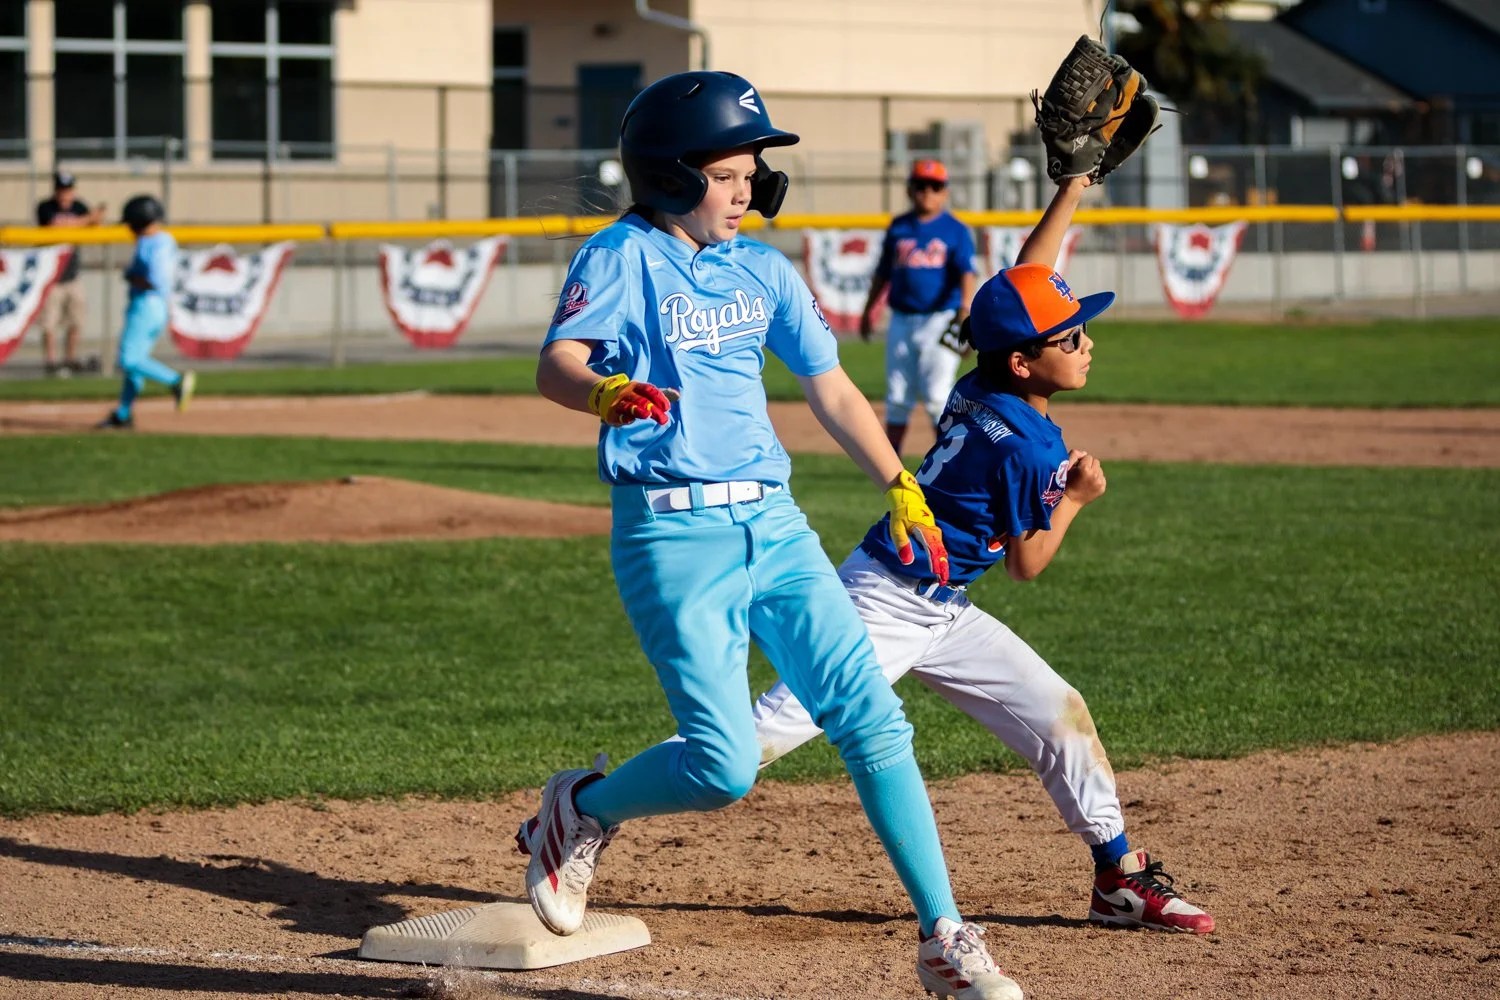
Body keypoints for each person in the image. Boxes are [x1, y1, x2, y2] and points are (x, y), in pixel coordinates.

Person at [520, 71, 1023, 1000]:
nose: (747, 189)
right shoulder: (620, 255)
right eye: (728, 174)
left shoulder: (761, 269)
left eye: (752, 173)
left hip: (775, 522)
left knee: (871, 717)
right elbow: (557, 363)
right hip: (673, 533)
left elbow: (831, 387)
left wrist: (900, 484)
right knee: (722, 769)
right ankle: (581, 808)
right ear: (671, 174)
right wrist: (601, 392)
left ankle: (944, 936)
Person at [716, 176, 1216, 935]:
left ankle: (1118, 877)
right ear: (1023, 363)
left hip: (941, 608)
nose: (1086, 343)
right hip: (884, 604)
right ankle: (591, 810)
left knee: (1058, 713)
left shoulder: (981, 378)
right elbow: (1026, 564)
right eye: (1070, 337)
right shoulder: (1030, 450)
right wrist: (1077, 499)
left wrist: (1071, 188)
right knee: (758, 740)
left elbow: (1026, 278)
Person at [859, 159, 977, 454]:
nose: (927, 192)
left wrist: (965, 309)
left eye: (935, 186)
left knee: (937, 396)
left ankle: (949, 463)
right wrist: (869, 309)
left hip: (941, 318)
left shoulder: (955, 229)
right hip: (901, 318)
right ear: (909, 189)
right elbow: (883, 272)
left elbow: (966, 272)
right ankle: (891, 466)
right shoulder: (899, 226)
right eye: (921, 185)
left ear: (945, 192)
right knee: (897, 396)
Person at [96, 195, 195, 430]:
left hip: (146, 305)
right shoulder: (162, 240)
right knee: (135, 365)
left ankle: (176, 381)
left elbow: (155, 279)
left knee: (129, 359)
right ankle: (123, 413)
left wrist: (132, 276)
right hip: (157, 306)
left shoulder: (153, 242)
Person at [35, 170, 105, 377]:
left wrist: (95, 217)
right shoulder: (46, 207)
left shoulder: (79, 206)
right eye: (61, 190)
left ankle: (70, 359)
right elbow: (56, 226)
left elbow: (96, 223)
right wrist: (87, 219)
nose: (65, 195)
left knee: (76, 320)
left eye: (68, 190)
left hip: (73, 274)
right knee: (50, 322)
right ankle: (50, 362)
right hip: (51, 276)